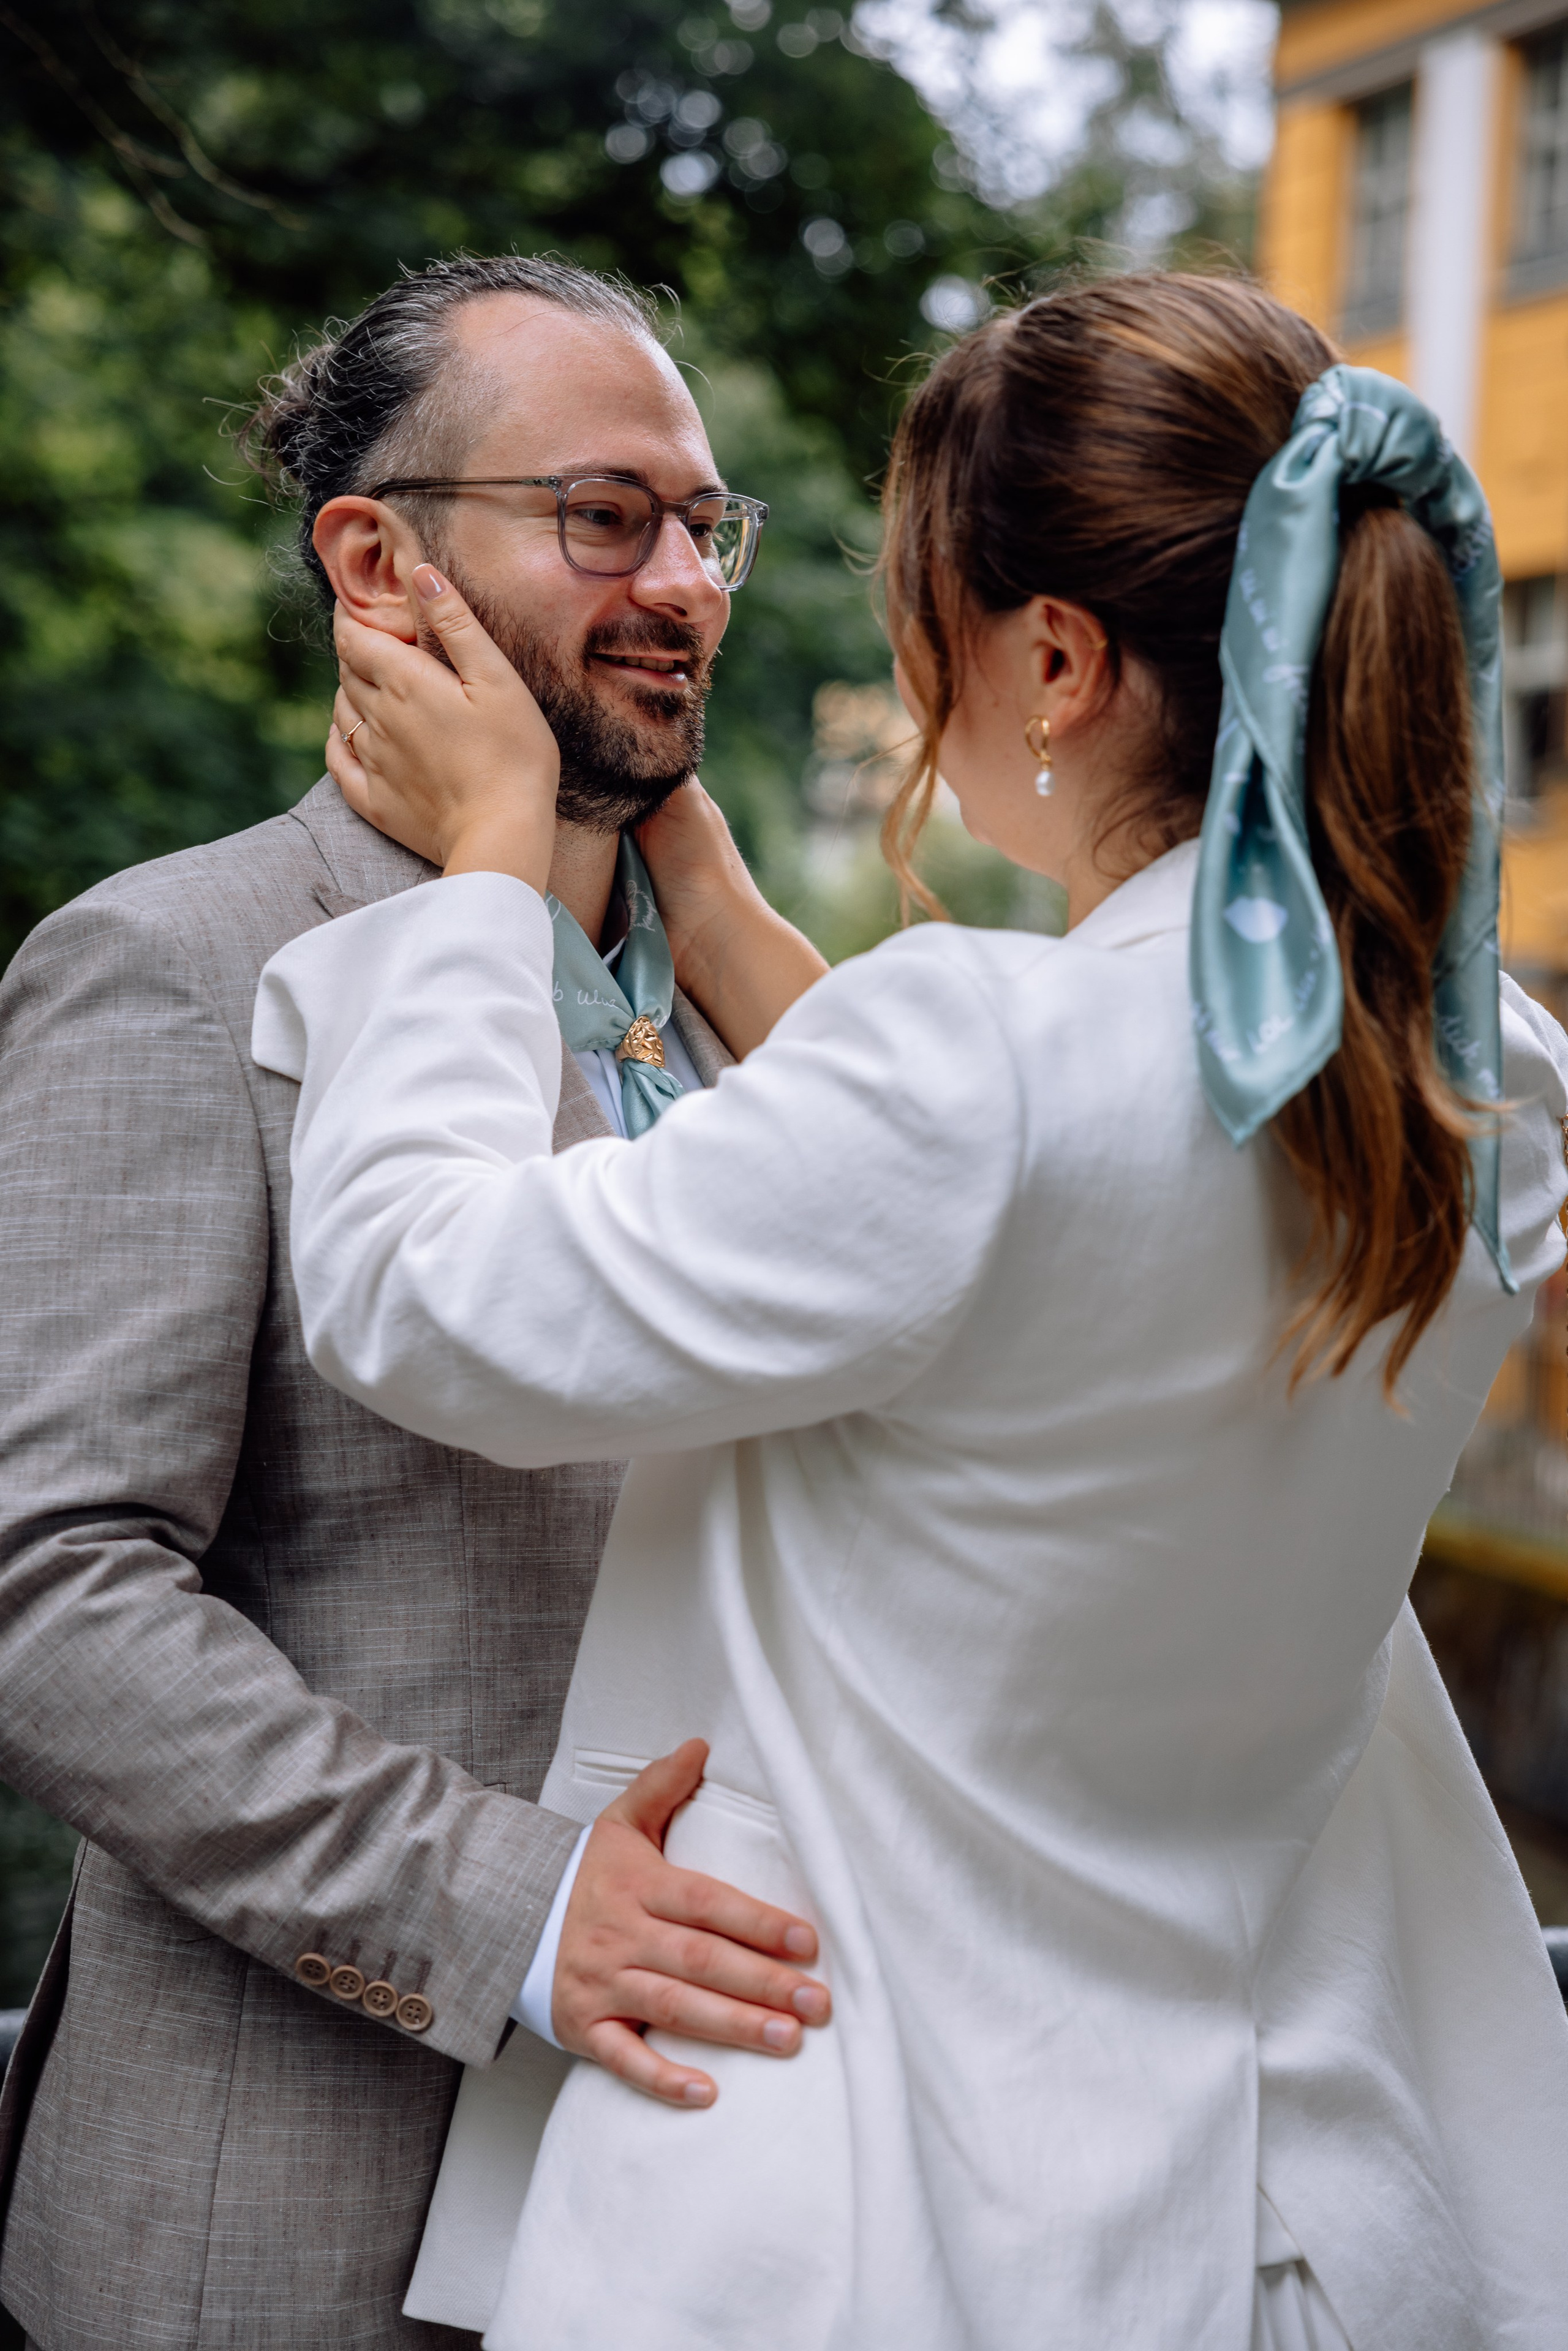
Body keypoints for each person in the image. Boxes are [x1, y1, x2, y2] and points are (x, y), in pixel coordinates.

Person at [256, 273, 1568, 2350]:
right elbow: (1041, 1203)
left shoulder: (988, 1073)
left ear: (1053, 656)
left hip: (858, 2194)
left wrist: (495, 870)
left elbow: (425, 1292)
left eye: (920, 616)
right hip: (1250, 2188)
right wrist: (731, 915)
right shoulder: (1483, 1073)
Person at [0, 253, 832, 2351]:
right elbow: (47, 1592)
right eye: (602, 515)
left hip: (719, 2213)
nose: (686, 584)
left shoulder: (763, 1037)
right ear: (376, 561)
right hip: (294, 2222)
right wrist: (519, 1906)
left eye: (705, 525)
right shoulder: (172, 963)